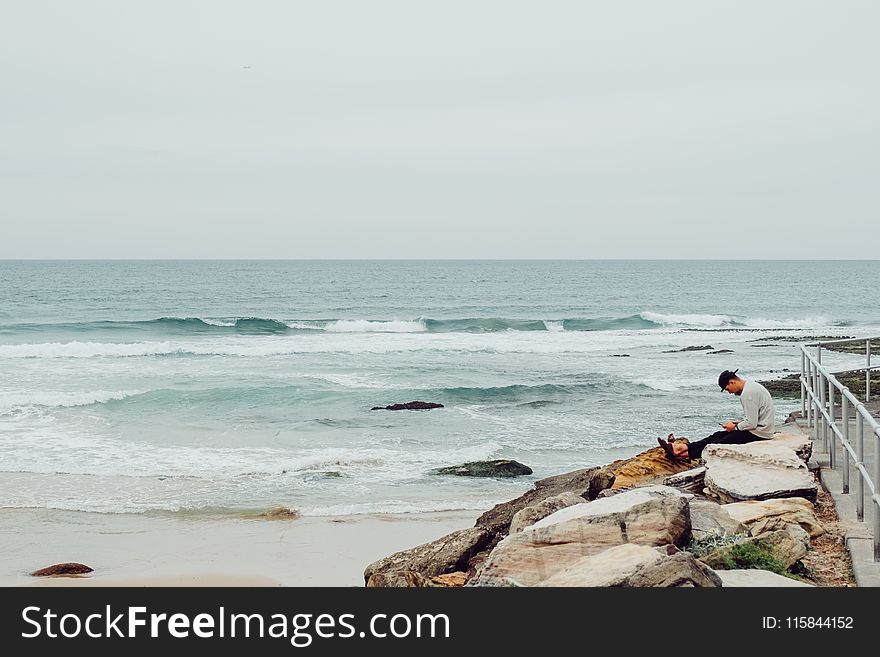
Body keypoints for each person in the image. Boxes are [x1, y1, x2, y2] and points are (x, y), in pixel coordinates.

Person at [657, 369, 776, 461]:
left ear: (732, 382)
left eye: (727, 388)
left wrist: (734, 427)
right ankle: (682, 448)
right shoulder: (751, 386)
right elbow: (754, 418)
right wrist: (737, 424)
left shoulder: (748, 395)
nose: (729, 392)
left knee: (718, 444)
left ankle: (682, 454)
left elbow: (751, 423)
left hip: (760, 434)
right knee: (717, 435)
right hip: (761, 429)